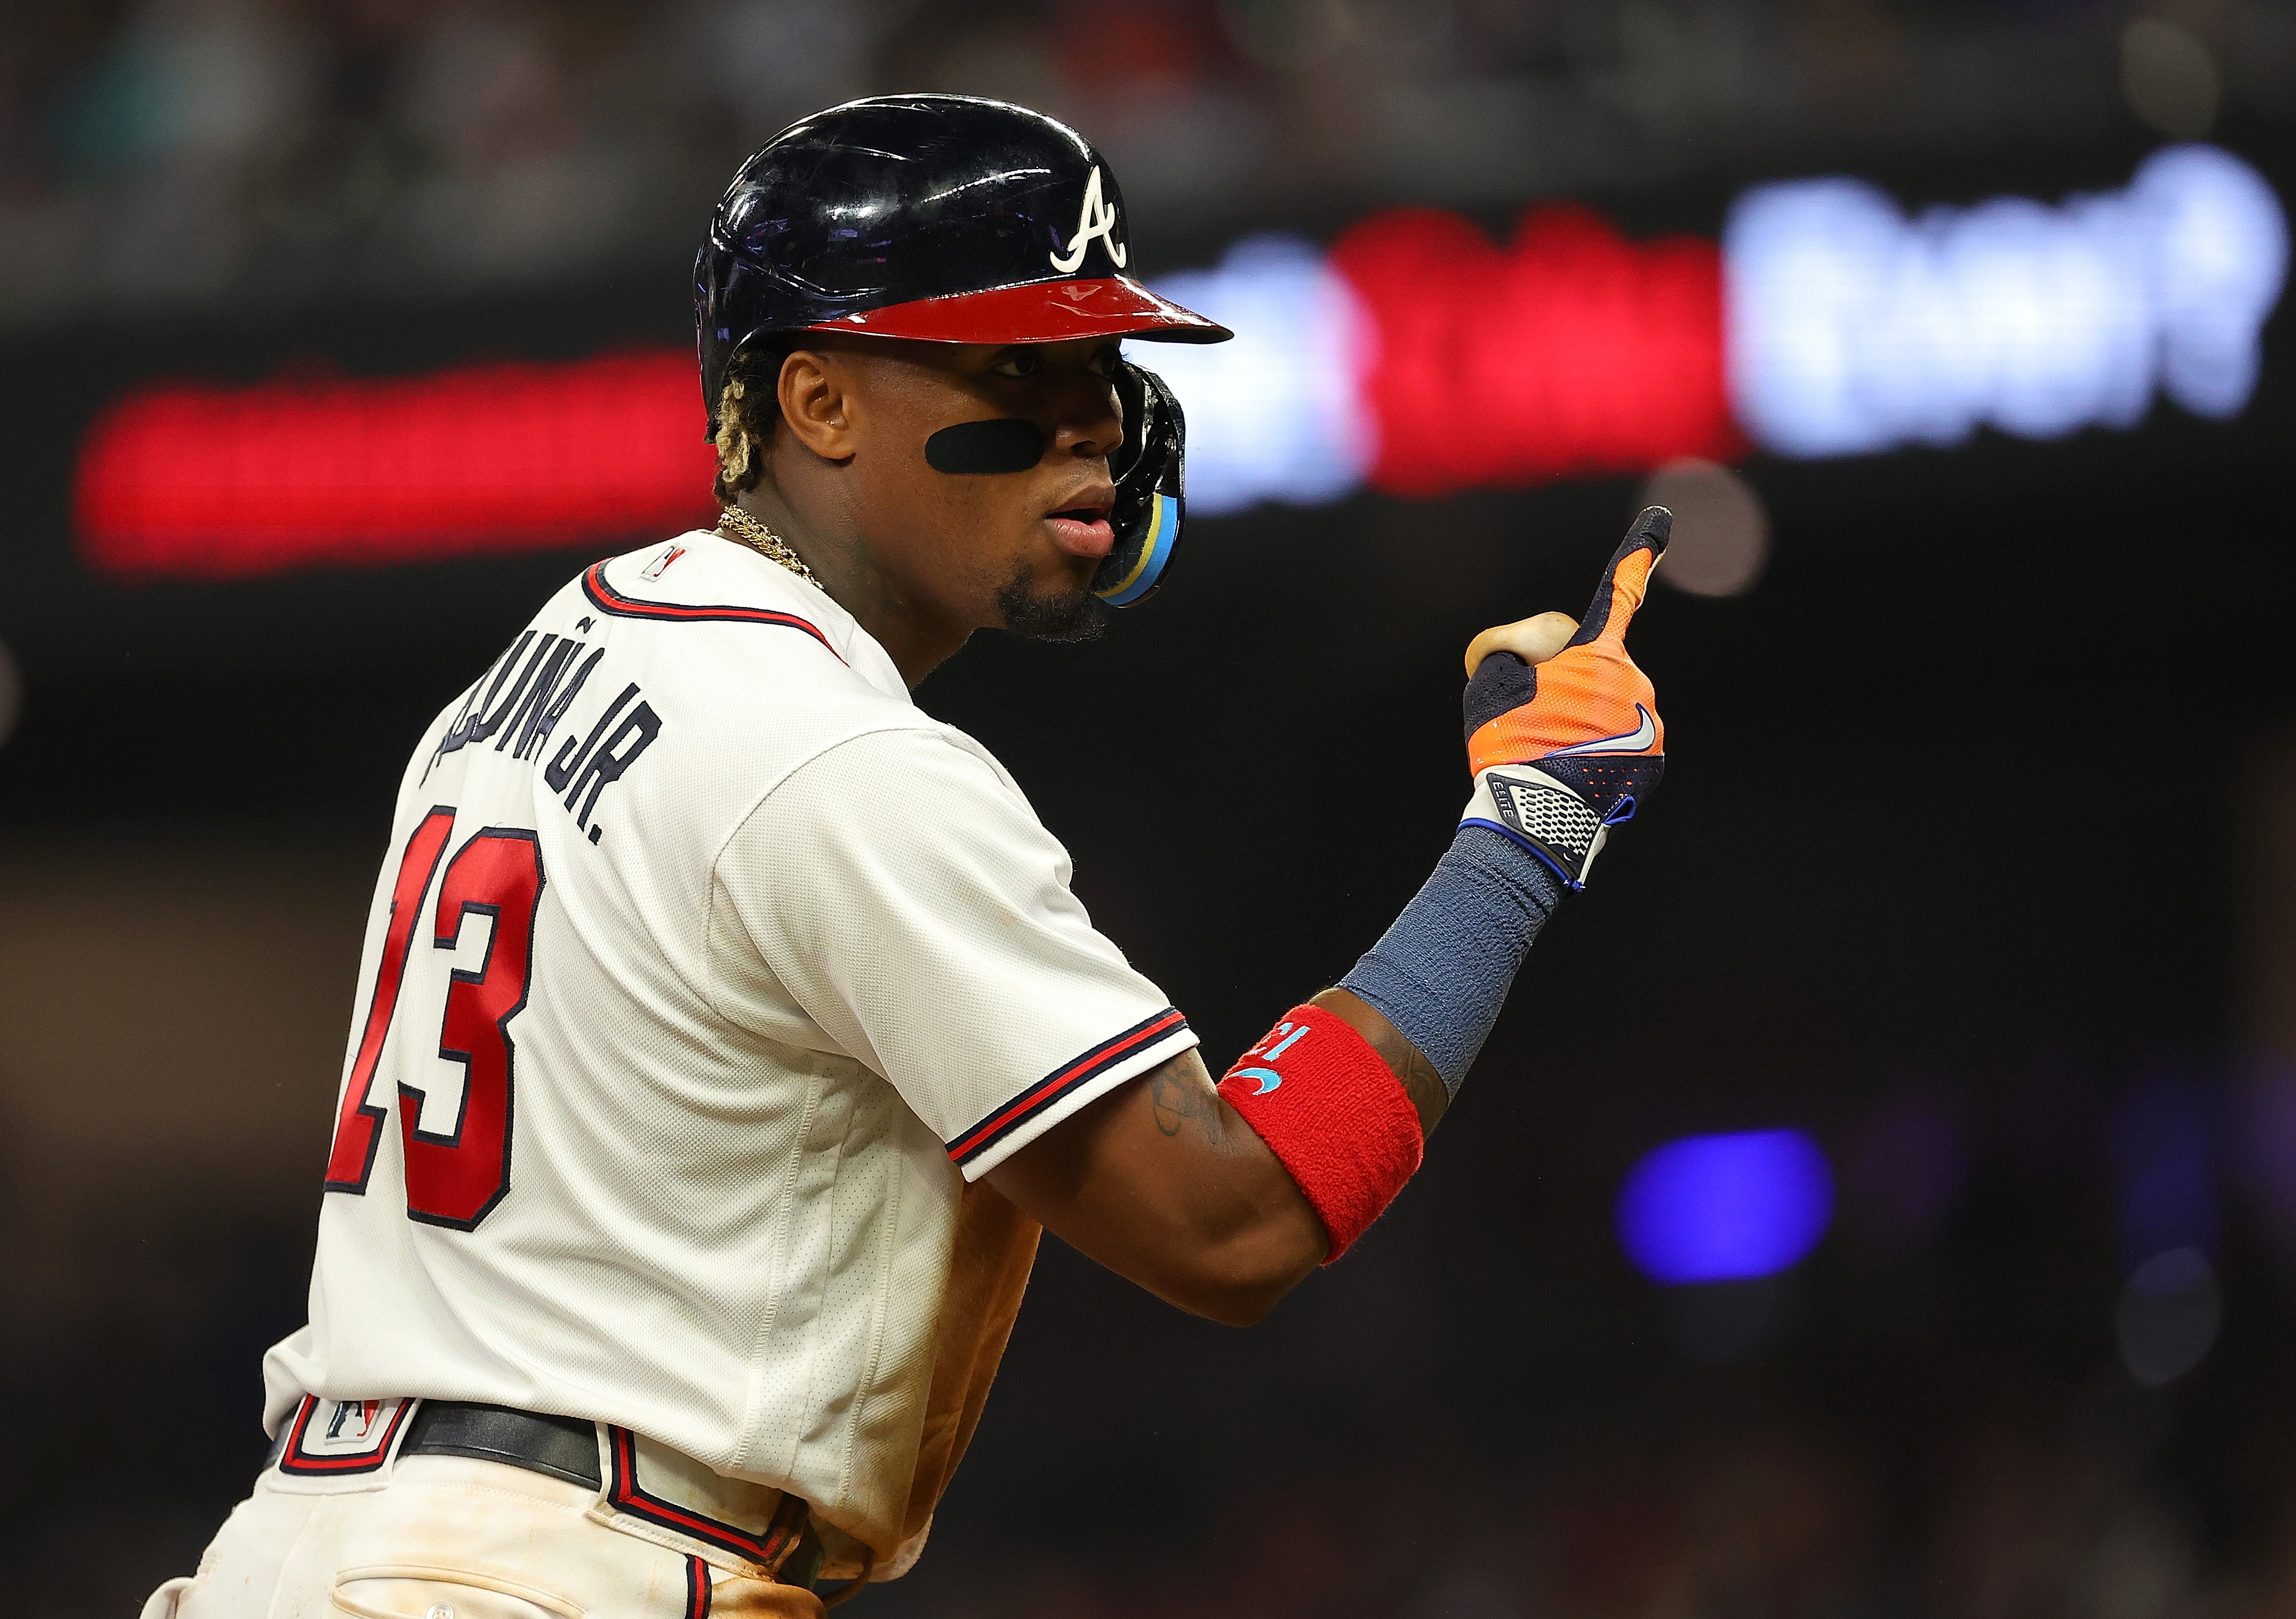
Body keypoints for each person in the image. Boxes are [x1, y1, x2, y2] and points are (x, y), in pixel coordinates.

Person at [144, 94, 1671, 1618]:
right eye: (1016, 364)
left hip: (322, 1544)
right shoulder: (839, 757)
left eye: (1102, 364)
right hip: (552, 1574)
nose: (1096, 422)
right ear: (814, 402)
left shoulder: (554, 654)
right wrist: (1524, 832)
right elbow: (1233, 1220)